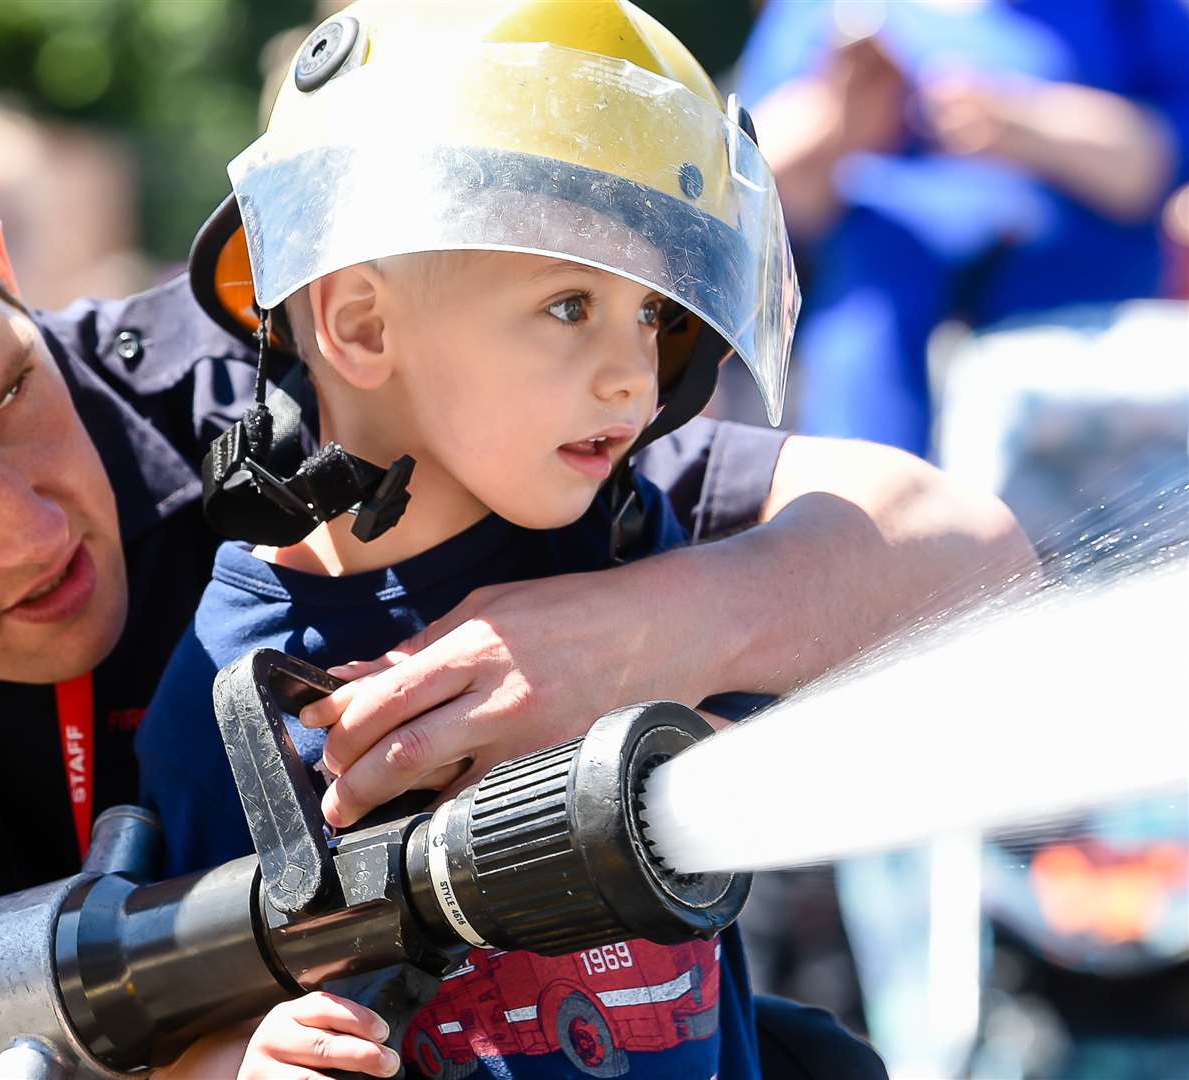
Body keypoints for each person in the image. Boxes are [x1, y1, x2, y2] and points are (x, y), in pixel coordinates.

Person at [0, 92, 1027, 1080]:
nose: (23, 526)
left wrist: (629, 626)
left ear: (6, 277)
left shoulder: (286, 396)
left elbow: (964, 547)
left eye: (11, 395)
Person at [135, 2, 918, 1075]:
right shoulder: (237, 695)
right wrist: (239, 1063)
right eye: (566, 305)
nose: (632, 374)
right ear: (361, 326)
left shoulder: (639, 554)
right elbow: (180, 1016)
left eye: (651, 311)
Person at [740, 0, 1189, 455]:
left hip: (1079, 337)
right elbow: (750, 190)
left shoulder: (1128, 12)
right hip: (875, 343)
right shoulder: (815, 12)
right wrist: (839, 117)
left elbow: (1158, 172)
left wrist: (1018, 122)